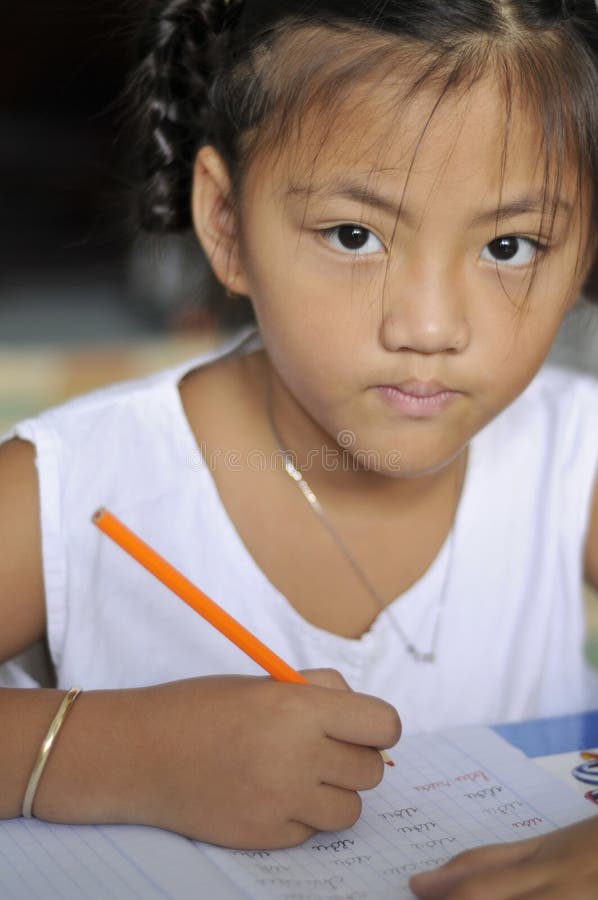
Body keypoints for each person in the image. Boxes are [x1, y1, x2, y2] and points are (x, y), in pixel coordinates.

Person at [1, 0, 598, 894]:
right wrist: (113, 752)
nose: (430, 327)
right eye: (353, 235)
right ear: (228, 224)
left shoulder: (574, 456)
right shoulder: (67, 486)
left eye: (510, 246)